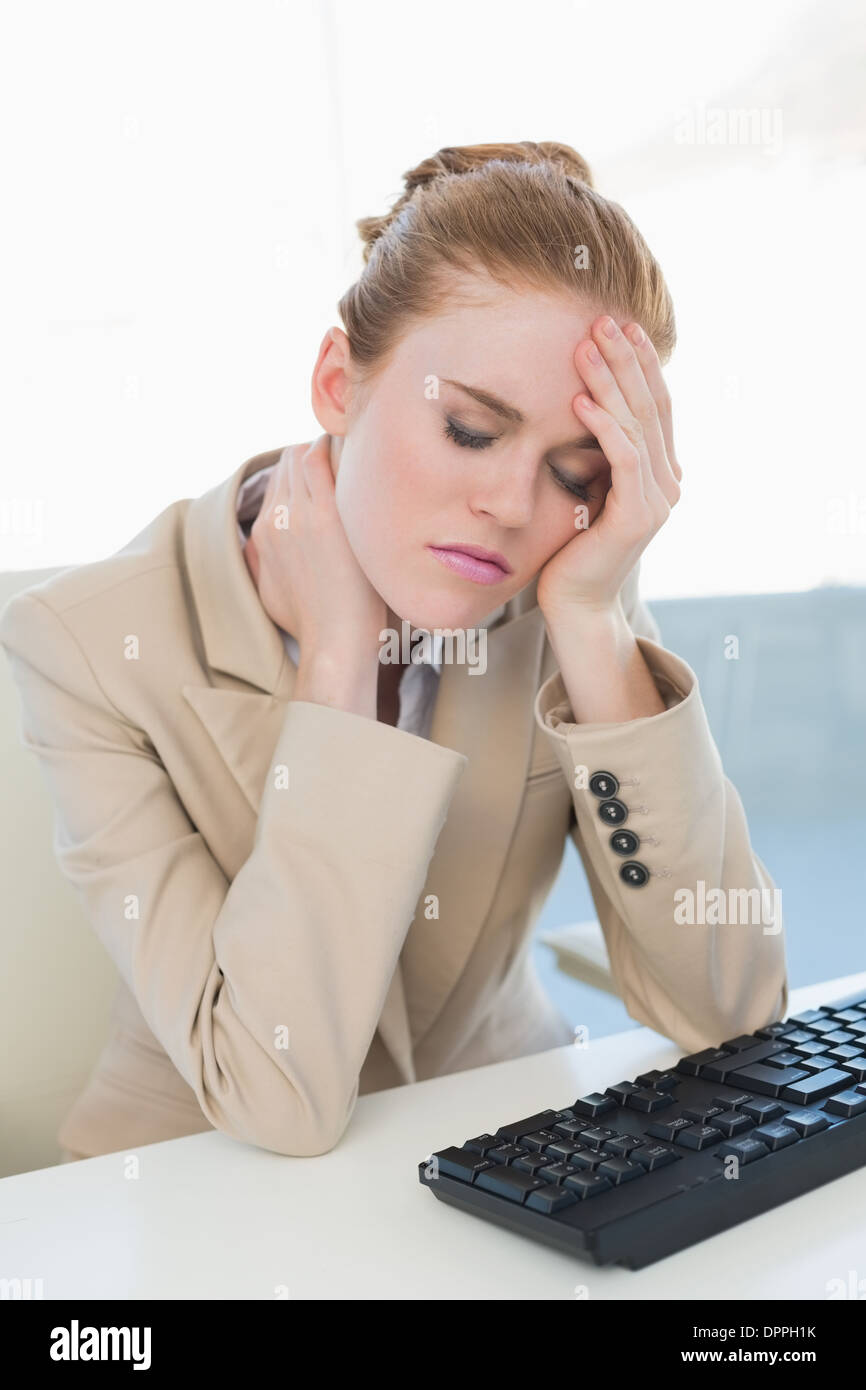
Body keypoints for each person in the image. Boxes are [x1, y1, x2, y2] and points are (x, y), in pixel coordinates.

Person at [0, 140, 787, 1164]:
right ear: (337, 381)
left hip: (507, 1152)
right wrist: (338, 668)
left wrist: (593, 622)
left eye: (572, 468)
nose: (511, 506)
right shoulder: (91, 642)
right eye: (468, 428)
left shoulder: (564, 583)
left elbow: (728, 1008)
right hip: (203, 1185)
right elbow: (277, 1099)